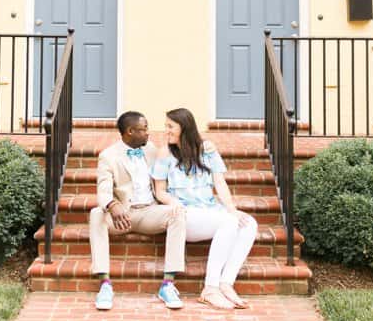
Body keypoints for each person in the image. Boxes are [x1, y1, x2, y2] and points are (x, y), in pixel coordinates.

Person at [152, 107, 258, 310]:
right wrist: (174, 203)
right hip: (186, 215)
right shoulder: (165, 153)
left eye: (170, 126)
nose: (166, 131)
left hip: (210, 209)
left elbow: (220, 183)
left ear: (184, 128)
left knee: (248, 223)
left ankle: (226, 283)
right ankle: (210, 289)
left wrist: (232, 208)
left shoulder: (207, 151)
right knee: (229, 222)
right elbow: (160, 191)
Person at [89, 110, 187, 310]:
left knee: (178, 212)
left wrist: (205, 146)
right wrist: (112, 205)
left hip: (149, 212)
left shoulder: (151, 150)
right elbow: (103, 190)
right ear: (130, 131)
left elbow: (181, 149)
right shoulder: (108, 156)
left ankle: (168, 284)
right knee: (96, 214)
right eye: (144, 129)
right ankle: (105, 284)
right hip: (122, 216)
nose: (148, 133)